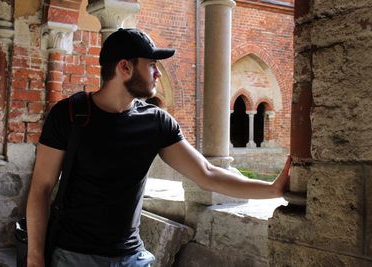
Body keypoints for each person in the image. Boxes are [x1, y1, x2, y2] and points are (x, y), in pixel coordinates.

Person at [26, 28, 291, 267]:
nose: (157, 72)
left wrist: (271, 189)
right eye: (151, 64)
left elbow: (206, 174)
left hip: (132, 257)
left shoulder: (156, 122)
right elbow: (41, 188)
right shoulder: (69, 114)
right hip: (74, 257)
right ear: (124, 68)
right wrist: (35, 258)